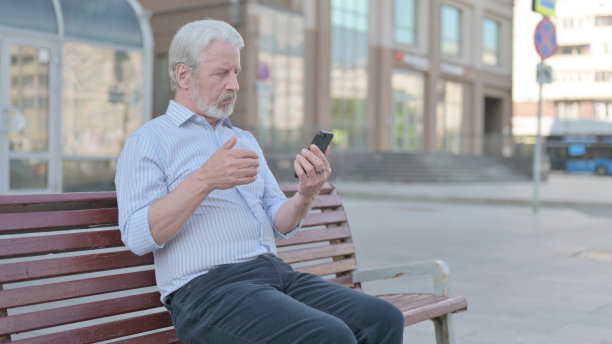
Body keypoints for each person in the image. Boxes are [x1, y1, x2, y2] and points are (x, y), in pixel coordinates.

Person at [115, 19, 404, 344]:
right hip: (207, 292)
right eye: (221, 73)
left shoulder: (244, 139)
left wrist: (307, 193)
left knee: (383, 320)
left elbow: (279, 219)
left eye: (236, 72)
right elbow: (137, 235)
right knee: (331, 337)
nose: (235, 84)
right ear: (184, 76)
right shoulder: (150, 141)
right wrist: (205, 179)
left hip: (274, 276)